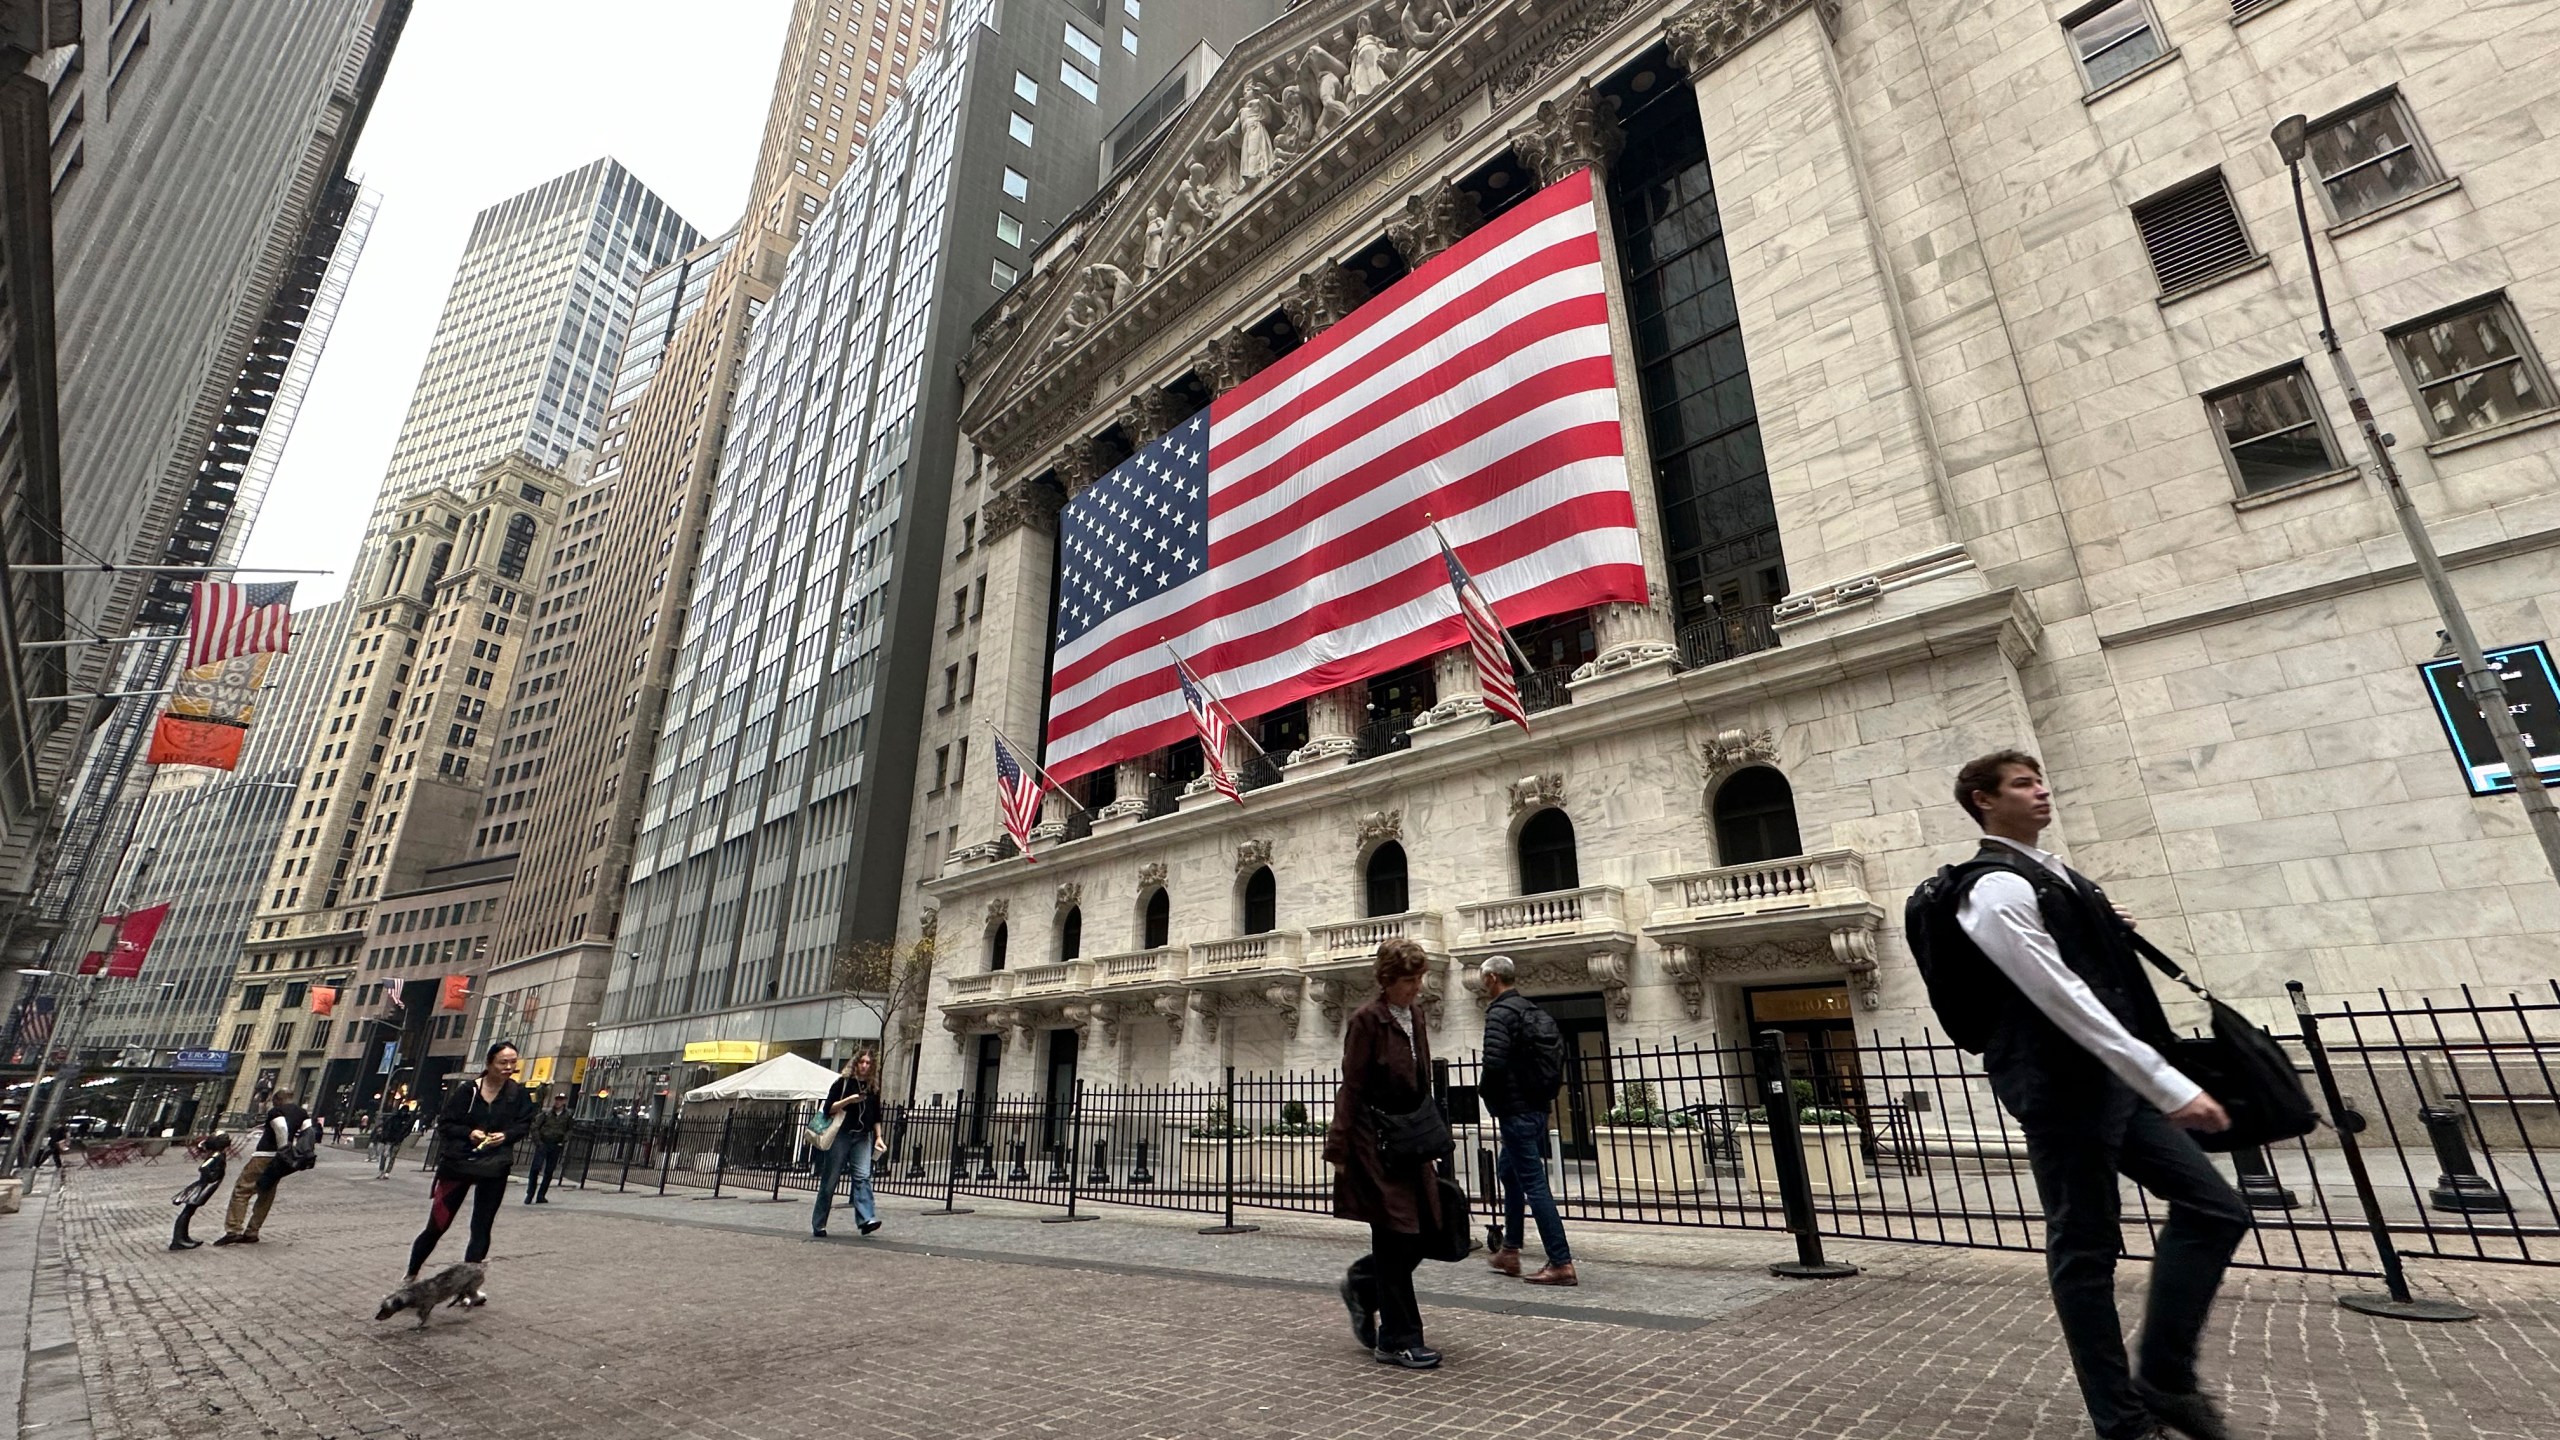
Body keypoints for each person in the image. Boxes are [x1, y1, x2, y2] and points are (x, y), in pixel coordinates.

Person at [1941, 751, 2249, 1440]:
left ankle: (2164, 1378)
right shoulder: (1993, 889)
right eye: (2023, 783)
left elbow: (2085, 973)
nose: (2042, 790)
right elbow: (2060, 997)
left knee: (2217, 1208)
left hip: (2112, 1084)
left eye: (2041, 778)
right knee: (2086, 1250)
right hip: (2062, 1088)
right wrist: (2165, 1082)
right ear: (1983, 800)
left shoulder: (2057, 877)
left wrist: (2104, 923)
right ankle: (2123, 1420)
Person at [1326, 937, 1446, 1370]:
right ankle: (1398, 1339)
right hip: (1373, 1142)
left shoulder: (1415, 1015)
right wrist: (1340, 1148)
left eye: (1419, 978)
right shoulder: (1366, 1021)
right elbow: (1352, 1087)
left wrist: (1431, 1135)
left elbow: (1421, 1081)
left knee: (1427, 1231)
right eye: (1409, 980)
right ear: (1387, 979)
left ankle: (1361, 1283)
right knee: (1396, 1237)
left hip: (1410, 1140)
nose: (1417, 987)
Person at [404, 1042, 535, 1291]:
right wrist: (470, 1133)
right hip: (459, 1164)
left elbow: (524, 1124)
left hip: (494, 1166)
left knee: (482, 1226)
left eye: (512, 1062)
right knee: (438, 1224)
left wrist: (505, 1136)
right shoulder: (468, 1091)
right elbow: (446, 1124)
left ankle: (467, 1285)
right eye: (502, 1062)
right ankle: (410, 1276)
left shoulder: (517, 1094)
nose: (508, 1068)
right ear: (489, 1064)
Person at [1477, 955, 1574, 1286]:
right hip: (1537, 1109)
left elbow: (1493, 1063)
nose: (1482, 984)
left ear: (1492, 979)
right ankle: (1510, 1250)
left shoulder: (1500, 1013)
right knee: (1508, 1171)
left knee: (1534, 1184)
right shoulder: (1533, 1011)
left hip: (1516, 1112)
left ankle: (1561, 1262)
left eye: (1483, 979)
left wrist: (1488, 1096)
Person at [212, 1088, 309, 1245]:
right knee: (266, 1193)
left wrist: (283, 1148)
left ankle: (234, 1229)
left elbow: (281, 1127)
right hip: (280, 1161)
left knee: (242, 1190)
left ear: (277, 1099)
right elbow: (309, 1133)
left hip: (264, 1155)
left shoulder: (276, 1111)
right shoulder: (302, 1113)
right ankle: (252, 1231)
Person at [811, 1050, 886, 1238]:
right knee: (830, 1180)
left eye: (868, 1063)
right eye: (862, 1062)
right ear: (855, 1063)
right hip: (842, 1135)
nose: (864, 1066)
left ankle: (867, 1219)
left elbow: (876, 1115)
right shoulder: (843, 1083)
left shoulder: (872, 1087)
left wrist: (879, 1137)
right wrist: (849, 1100)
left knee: (862, 1177)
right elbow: (828, 1108)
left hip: (863, 1137)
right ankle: (819, 1223)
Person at [170, 1134, 232, 1249]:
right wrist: (211, 1177)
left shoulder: (219, 1154)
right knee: (188, 1211)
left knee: (189, 1211)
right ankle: (178, 1239)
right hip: (203, 1186)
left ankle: (183, 1237)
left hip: (207, 1186)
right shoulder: (216, 1155)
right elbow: (204, 1167)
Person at [523, 1092, 573, 1204]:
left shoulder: (568, 1115)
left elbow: (569, 1129)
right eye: (557, 1099)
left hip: (556, 1144)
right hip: (543, 1143)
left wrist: (564, 1140)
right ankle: (530, 1194)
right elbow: (535, 1127)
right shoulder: (546, 1114)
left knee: (549, 1171)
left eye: (561, 1100)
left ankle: (541, 1195)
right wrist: (538, 1142)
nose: (558, 1102)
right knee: (535, 1169)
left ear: (564, 1101)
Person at [373, 1102, 417, 1178]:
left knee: (391, 1156)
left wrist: (402, 1136)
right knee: (386, 1155)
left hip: (396, 1140)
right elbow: (388, 1127)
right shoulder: (396, 1118)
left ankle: (386, 1172)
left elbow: (407, 1130)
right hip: (390, 1139)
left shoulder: (405, 1120)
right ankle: (382, 1171)